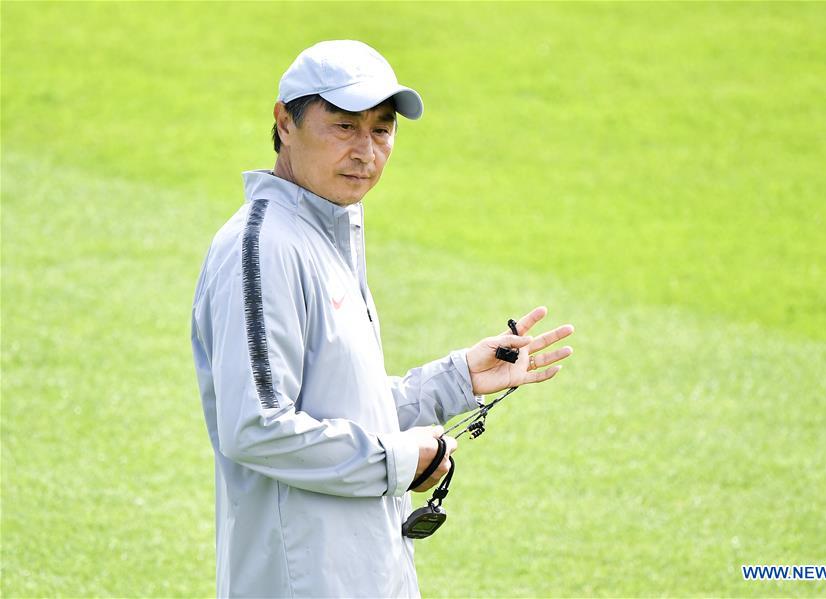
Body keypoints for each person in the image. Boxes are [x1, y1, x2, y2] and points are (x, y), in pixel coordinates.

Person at [190, 40, 574, 598]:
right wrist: (400, 459)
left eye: (382, 129)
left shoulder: (328, 234)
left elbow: (341, 409)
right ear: (283, 123)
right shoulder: (264, 247)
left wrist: (457, 379)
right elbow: (256, 428)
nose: (365, 151)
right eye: (343, 126)